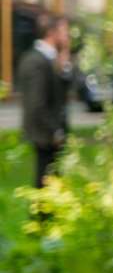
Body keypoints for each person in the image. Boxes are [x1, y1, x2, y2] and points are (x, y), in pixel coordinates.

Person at [18, 11, 72, 187]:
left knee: (53, 183)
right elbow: (37, 104)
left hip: (52, 134)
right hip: (45, 135)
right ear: (52, 33)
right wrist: (55, 132)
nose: (67, 36)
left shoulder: (50, 59)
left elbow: (61, 93)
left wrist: (64, 61)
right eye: (64, 32)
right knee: (44, 184)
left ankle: (48, 214)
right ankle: (39, 215)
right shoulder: (36, 61)